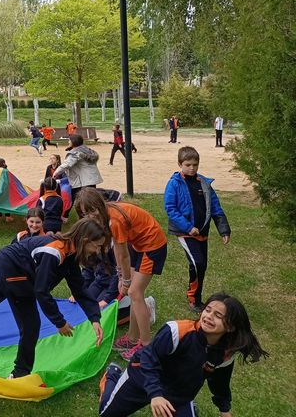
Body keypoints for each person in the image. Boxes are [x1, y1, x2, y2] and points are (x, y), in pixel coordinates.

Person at [0, 218, 108, 378]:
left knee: (31, 326)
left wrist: (94, 318)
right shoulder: (55, 251)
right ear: (84, 241)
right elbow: (42, 291)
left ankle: (20, 373)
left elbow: (80, 289)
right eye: (97, 246)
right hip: (4, 271)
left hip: (24, 284)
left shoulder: (70, 254)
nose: (97, 251)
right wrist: (59, 322)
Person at [99, 293, 268, 417]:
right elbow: (148, 359)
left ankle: (188, 407)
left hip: (177, 395)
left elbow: (220, 382)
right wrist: (156, 394)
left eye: (218, 316)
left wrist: (225, 410)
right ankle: (113, 375)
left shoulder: (226, 353)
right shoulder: (176, 331)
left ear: (230, 327)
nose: (208, 316)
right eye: (208, 310)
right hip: (141, 379)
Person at [75, 188, 168, 359]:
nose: (90, 216)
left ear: (100, 204)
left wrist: (125, 280)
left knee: (134, 292)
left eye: (92, 210)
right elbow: (119, 252)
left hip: (152, 245)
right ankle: (132, 339)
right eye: (85, 213)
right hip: (139, 245)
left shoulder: (114, 220)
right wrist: (121, 276)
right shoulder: (105, 217)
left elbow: (123, 254)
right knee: (134, 292)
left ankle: (146, 347)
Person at [164, 146, 230, 312]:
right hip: (185, 233)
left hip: (202, 232)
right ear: (180, 164)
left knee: (202, 265)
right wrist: (188, 227)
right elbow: (171, 208)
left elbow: (215, 206)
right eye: (188, 164)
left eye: (195, 164)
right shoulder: (174, 183)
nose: (192, 168)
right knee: (197, 262)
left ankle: (197, 297)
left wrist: (224, 229)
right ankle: (193, 299)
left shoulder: (204, 183)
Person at [53, 133, 103, 205]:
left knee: (80, 202)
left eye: (69, 140)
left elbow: (67, 164)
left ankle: (83, 215)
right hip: (90, 180)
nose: (68, 142)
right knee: (90, 201)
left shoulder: (76, 153)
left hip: (83, 182)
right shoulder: (86, 150)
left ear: (74, 142)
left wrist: (55, 173)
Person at [0, 158, 13, 222]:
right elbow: (10, 180)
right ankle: (8, 217)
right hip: (6, 190)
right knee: (6, 203)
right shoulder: (6, 171)